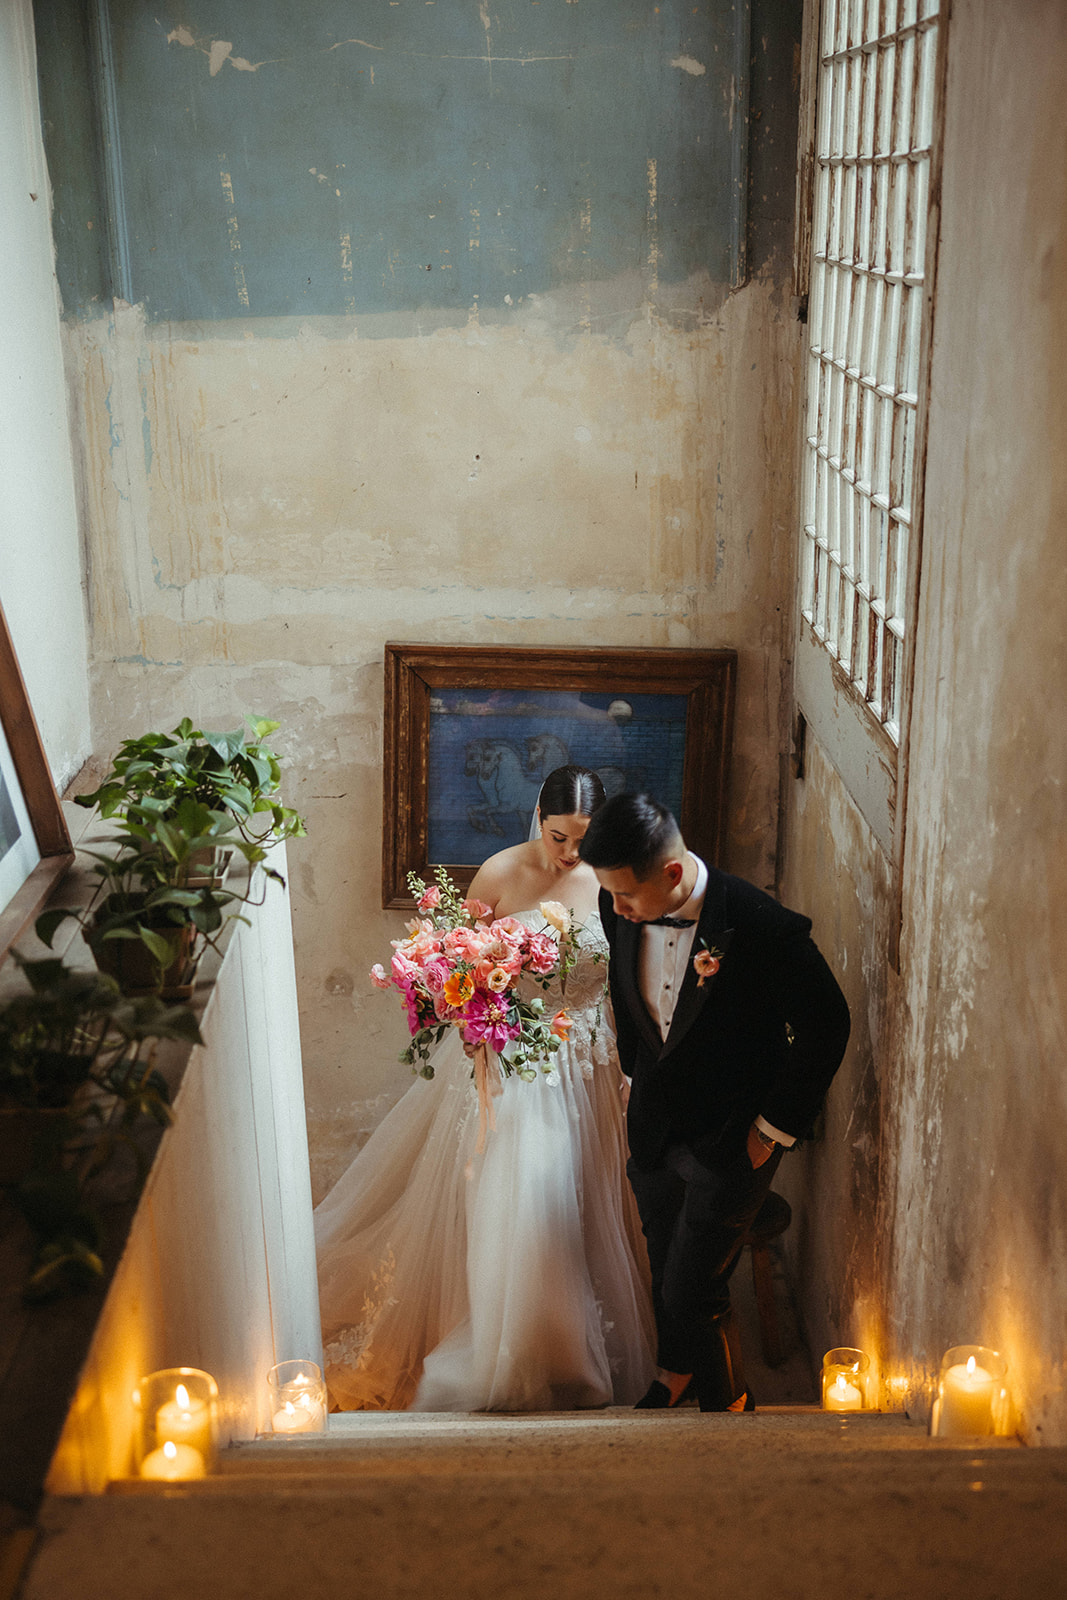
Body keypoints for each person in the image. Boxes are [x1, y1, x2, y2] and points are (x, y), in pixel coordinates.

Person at [314, 765, 656, 1412]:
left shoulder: (608, 879)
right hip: (507, 1053)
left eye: (583, 839)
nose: (569, 853)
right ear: (537, 816)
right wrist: (461, 994)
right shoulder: (499, 873)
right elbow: (456, 966)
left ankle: (570, 1347)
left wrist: (633, 1068)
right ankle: (516, 1349)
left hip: (587, 1057)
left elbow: (630, 977)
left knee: (583, 1196)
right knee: (520, 1186)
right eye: (558, 837)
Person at [578, 793, 850, 1413]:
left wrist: (774, 1128)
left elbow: (828, 1025)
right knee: (663, 1261)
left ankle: (730, 1408)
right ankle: (676, 1375)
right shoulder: (614, 901)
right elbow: (628, 1000)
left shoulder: (763, 927)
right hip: (653, 1129)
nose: (615, 909)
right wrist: (634, 1073)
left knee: (694, 1288)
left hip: (734, 1137)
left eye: (625, 896)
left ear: (672, 873)